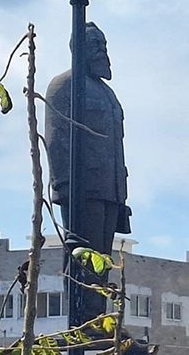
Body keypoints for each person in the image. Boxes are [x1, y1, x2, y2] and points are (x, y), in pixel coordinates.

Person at [45, 22, 131, 323]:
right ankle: (81, 323)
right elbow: (56, 139)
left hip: (110, 190)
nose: (102, 52)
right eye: (95, 46)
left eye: (103, 46)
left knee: (102, 260)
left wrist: (121, 192)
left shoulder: (108, 93)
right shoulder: (64, 85)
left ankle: (97, 321)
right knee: (82, 258)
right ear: (78, 49)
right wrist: (66, 187)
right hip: (82, 189)